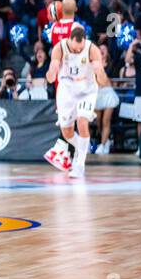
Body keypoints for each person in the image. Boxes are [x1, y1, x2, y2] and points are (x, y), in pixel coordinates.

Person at [45, 26, 108, 178]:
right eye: (75, 49)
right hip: (67, 91)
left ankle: (80, 164)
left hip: (86, 91)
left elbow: (103, 82)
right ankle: (82, 148)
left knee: (82, 121)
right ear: (69, 40)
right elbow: (50, 78)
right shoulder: (59, 48)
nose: (78, 51)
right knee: (67, 131)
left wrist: (99, 70)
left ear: (84, 41)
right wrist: (52, 69)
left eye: (80, 49)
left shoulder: (92, 49)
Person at [42, 0, 84, 170]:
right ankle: (69, 153)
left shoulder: (53, 29)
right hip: (74, 76)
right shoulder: (76, 26)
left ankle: (65, 153)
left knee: (67, 117)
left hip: (60, 77)